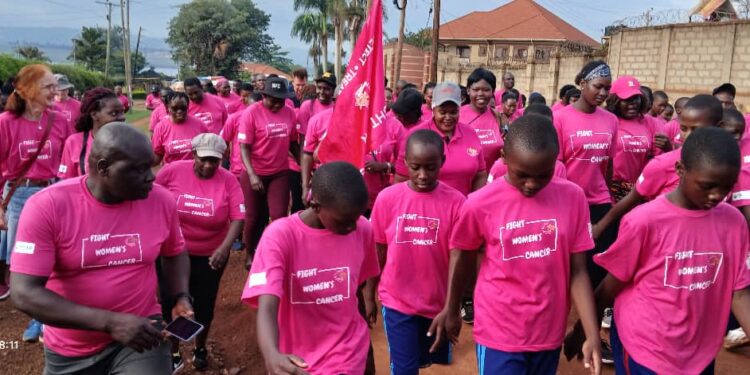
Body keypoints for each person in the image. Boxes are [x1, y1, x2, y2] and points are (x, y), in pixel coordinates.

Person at [9, 122, 193, 374]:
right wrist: (110, 323)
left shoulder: (160, 200)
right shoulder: (48, 207)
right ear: (104, 168)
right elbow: (23, 292)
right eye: (138, 169)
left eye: (150, 166)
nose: (151, 176)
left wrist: (180, 296)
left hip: (143, 334)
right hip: (70, 349)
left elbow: (175, 252)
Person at [568, 127, 750, 374]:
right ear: (680, 171)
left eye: (726, 186)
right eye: (707, 186)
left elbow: (739, 293)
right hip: (647, 348)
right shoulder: (644, 222)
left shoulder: (733, 222)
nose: (718, 195)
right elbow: (611, 285)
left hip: (699, 349)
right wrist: (584, 331)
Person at [430, 114, 602, 375]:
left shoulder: (573, 197)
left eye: (543, 175)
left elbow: (577, 270)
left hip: (548, 331)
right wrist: (451, 308)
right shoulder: (479, 203)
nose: (531, 184)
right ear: (503, 157)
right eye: (521, 175)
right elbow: (462, 255)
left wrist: (592, 333)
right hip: (499, 330)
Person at [242, 161, 380, 375]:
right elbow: (267, 304)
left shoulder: (362, 228)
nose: (353, 226)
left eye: (357, 217)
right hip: (299, 363)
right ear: (315, 206)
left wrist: (367, 352)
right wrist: (271, 355)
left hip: (347, 354)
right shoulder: (280, 237)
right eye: (344, 221)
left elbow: (353, 291)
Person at [367, 129, 465, 373]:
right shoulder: (387, 199)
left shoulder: (456, 203)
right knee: (404, 369)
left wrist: (453, 307)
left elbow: (459, 256)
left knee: (428, 359)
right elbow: (378, 250)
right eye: (415, 167)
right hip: (397, 301)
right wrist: (369, 293)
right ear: (404, 162)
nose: (423, 175)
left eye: (431, 168)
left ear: (442, 161)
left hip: (437, 304)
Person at [155, 133, 244, 371]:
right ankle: (174, 352)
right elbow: (150, 197)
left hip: (209, 256)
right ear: (193, 154)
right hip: (172, 254)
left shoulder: (228, 181)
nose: (208, 165)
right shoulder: (172, 171)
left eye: (214, 161)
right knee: (171, 302)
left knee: (204, 305)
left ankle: (199, 346)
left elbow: (238, 218)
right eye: (203, 159)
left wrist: (224, 248)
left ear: (221, 159)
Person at [0, 65, 69, 341]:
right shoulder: (6, 122)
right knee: (26, 262)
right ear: (28, 91)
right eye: (49, 86)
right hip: (18, 196)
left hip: (52, 192)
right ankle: (35, 316)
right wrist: (1, 206)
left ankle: (44, 322)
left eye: (55, 85)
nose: (56, 91)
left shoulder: (60, 120)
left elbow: (67, 160)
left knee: (58, 257)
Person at [592, 94, 724, 240]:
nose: (688, 136)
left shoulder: (726, 164)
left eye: (696, 129)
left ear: (719, 127)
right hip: (665, 241)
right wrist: (599, 227)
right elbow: (632, 199)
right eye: (684, 129)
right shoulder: (664, 164)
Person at [553, 61, 619, 295]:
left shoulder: (611, 120)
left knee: (598, 259)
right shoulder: (560, 118)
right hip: (567, 200)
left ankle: (592, 312)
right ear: (582, 84)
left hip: (598, 200)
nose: (602, 93)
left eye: (607, 88)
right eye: (598, 86)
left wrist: (608, 195)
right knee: (567, 259)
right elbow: (557, 164)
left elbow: (608, 163)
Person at [239, 77, 299, 268]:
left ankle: (276, 252)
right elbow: (244, 147)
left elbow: (293, 143)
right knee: (253, 216)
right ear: (264, 96)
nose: (277, 104)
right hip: (254, 172)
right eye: (273, 100)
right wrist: (252, 174)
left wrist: (306, 166)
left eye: (281, 100)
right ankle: (250, 252)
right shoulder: (251, 113)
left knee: (279, 215)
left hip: (279, 172)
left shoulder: (289, 113)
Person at [394, 82, 487, 197]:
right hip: (425, 209)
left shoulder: (471, 134)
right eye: (442, 112)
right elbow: (401, 179)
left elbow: (480, 174)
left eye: (453, 112)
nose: (448, 117)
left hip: (462, 209)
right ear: (433, 109)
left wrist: (474, 202)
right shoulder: (416, 136)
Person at [606, 76, 671, 202]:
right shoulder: (608, 121)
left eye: (636, 98)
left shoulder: (652, 123)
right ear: (615, 101)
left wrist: (668, 148)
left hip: (641, 188)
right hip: (610, 188)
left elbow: (658, 159)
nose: (633, 104)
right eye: (627, 99)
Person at [58, 88, 126, 179]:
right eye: (114, 113)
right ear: (94, 115)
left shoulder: (129, 141)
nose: (122, 117)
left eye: (122, 112)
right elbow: (67, 183)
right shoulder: (74, 142)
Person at [461, 68, 505, 168]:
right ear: (468, 90)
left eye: (486, 90)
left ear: (493, 91)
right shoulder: (457, 116)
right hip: (464, 179)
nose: (480, 94)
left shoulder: (499, 117)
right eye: (476, 90)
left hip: (491, 180)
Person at [152, 92, 209, 165]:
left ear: (188, 107)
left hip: (195, 172)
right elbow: (158, 155)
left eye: (183, 108)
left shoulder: (200, 125)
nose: (179, 111)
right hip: (172, 173)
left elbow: (207, 150)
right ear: (168, 108)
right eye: (175, 108)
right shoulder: (160, 127)